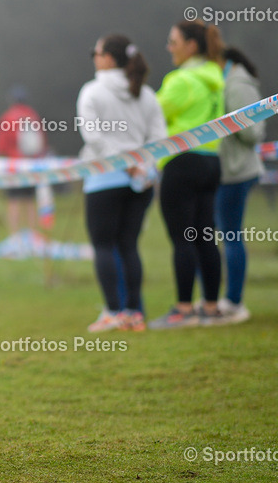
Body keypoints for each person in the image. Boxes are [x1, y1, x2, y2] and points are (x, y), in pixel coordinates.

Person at [77, 35, 167, 333]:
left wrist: (122, 162)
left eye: (96, 52)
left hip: (105, 178)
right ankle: (134, 312)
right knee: (129, 245)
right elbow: (158, 139)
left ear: (109, 59)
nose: (93, 57)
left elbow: (93, 137)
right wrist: (140, 165)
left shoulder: (92, 91)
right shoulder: (147, 94)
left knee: (103, 245)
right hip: (140, 181)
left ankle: (114, 312)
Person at [149, 20, 226, 329]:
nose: (169, 48)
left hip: (181, 163)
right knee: (206, 236)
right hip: (211, 162)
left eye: (173, 42)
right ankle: (210, 307)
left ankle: (183, 309)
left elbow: (151, 115)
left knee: (182, 238)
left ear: (191, 46)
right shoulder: (214, 78)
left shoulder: (181, 80)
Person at [215, 47, 265, 323]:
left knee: (231, 235)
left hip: (237, 172)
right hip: (224, 172)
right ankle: (221, 299)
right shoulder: (227, 81)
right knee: (222, 234)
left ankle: (234, 301)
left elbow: (252, 132)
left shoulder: (237, 84)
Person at [0, 85, 46, 235]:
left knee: (14, 201)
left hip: (14, 165)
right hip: (31, 164)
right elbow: (42, 142)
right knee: (29, 201)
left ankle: (15, 237)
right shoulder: (33, 115)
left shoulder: (8, 117)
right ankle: (34, 235)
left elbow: (0, 146)